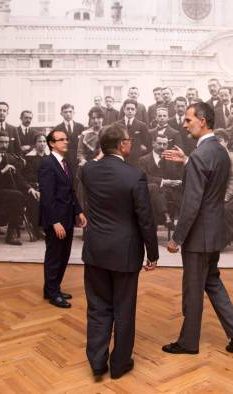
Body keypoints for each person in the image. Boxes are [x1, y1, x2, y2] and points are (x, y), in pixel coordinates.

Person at [161, 102, 233, 355]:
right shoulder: (219, 151)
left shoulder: (200, 156)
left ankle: (188, 343)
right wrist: (187, 161)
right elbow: (209, 176)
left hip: (198, 237)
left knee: (193, 289)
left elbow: (191, 204)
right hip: (215, 232)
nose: (184, 124)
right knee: (212, 282)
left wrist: (177, 239)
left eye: (188, 120)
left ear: (202, 120)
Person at [80, 123, 158, 379]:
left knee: (98, 307)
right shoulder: (135, 175)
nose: (131, 143)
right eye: (129, 140)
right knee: (124, 308)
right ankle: (120, 364)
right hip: (125, 252)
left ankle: (97, 363)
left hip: (95, 250)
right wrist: (153, 253)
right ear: (122, 144)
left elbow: (95, 162)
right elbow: (145, 218)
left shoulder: (88, 171)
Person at [39, 129, 86, 308]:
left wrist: (78, 211)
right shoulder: (47, 164)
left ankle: (52, 288)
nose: (66, 142)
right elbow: (47, 197)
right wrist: (55, 222)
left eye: (66, 139)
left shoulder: (64, 163)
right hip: (56, 220)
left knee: (63, 255)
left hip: (67, 217)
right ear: (51, 143)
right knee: (54, 256)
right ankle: (52, 294)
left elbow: (70, 191)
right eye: (61, 140)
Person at [0, 131, 37, 246]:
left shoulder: (10, 157)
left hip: (7, 193)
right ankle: (11, 234)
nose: (4, 145)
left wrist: (30, 189)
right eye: (1, 142)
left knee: (32, 194)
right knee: (16, 195)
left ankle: (37, 230)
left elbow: (19, 178)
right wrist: (2, 171)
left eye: (7, 142)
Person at [138, 135, 183, 230]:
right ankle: (166, 216)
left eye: (165, 144)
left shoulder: (171, 160)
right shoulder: (143, 160)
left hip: (167, 193)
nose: (162, 147)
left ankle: (165, 218)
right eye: (159, 143)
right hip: (149, 193)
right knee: (154, 188)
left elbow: (176, 176)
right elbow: (143, 177)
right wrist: (162, 181)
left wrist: (165, 161)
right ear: (153, 143)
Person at [23, 133, 48, 240]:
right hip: (33, 187)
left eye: (44, 141)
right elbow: (26, 177)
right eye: (39, 141)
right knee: (37, 198)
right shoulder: (28, 158)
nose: (42, 144)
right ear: (35, 144)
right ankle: (38, 228)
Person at [54, 103, 86, 177]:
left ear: (74, 113)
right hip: (65, 161)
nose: (68, 114)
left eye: (70, 111)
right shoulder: (57, 129)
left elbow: (84, 145)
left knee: (78, 182)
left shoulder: (80, 127)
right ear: (61, 113)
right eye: (65, 112)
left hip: (78, 161)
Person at [117, 99, 151, 165]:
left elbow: (147, 143)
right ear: (124, 109)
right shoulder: (117, 125)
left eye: (132, 109)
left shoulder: (142, 125)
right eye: (128, 109)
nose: (130, 111)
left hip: (136, 160)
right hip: (121, 158)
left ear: (136, 110)